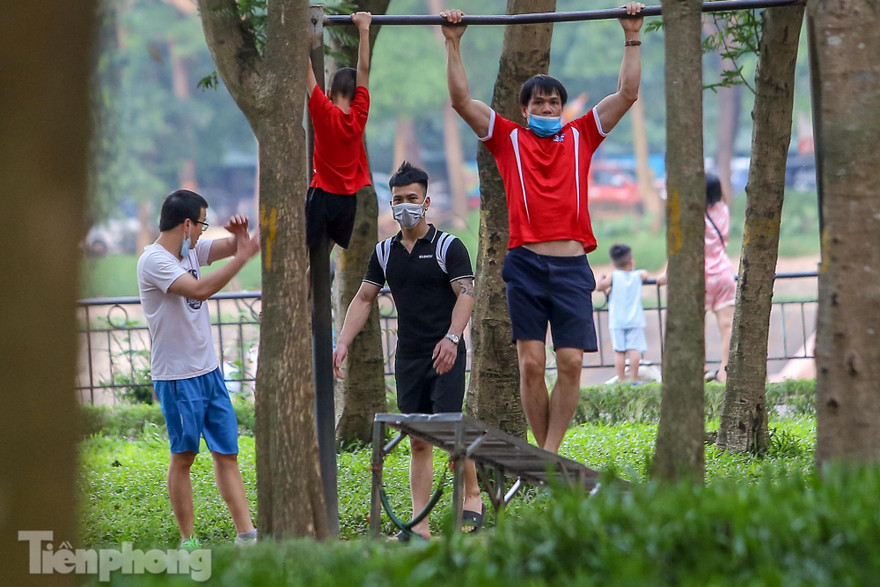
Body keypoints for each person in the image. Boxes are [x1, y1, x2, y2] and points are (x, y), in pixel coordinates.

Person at [440, 3, 645, 453]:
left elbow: (627, 94)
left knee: (570, 362)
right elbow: (461, 101)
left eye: (554, 102)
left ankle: (548, 456)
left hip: (572, 268)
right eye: (539, 102)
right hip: (526, 265)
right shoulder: (508, 139)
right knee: (531, 364)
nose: (547, 107)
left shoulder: (581, 135)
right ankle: (545, 456)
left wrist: (632, 34)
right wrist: (453, 43)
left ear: (562, 107)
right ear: (525, 108)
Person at [332, 162, 485, 539]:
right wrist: (343, 341)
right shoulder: (385, 252)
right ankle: (420, 526)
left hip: (446, 351)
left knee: (450, 431)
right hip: (409, 356)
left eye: (411, 198)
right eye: (398, 199)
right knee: (418, 440)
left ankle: (473, 494)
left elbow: (467, 294)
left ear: (426, 202)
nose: (404, 206)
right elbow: (364, 298)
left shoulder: (448, 246)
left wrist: (452, 338)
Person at [136, 189, 261, 550]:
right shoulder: (154, 261)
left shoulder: (189, 251)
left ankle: (247, 535)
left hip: (208, 371)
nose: (204, 233)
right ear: (187, 224)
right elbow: (200, 289)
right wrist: (243, 255)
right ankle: (188, 540)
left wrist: (240, 238)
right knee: (184, 456)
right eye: (203, 224)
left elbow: (233, 248)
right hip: (177, 376)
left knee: (227, 453)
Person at [657, 172, 736, 382]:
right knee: (727, 325)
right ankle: (726, 370)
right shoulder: (724, 210)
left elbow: (679, 247)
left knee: (697, 326)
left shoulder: (690, 215)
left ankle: (701, 369)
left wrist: (667, 273)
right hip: (723, 274)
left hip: (699, 276)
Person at [305, 11, 373, 252]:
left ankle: (307, 277)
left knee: (312, 254)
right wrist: (364, 29)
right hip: (347, 199)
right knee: (328, 249)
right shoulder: (360, 114)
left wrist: (302, 29)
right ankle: (313, 276)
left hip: (322, 193)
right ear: (358, 96)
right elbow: (364, 69)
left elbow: (306, 68)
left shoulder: (322, 111)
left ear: (329, 92)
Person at [596, 244, 649, 383]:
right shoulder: (636, 276)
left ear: (613, 263)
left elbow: (600, 286)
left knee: (619, 351)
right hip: (635, 320)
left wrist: (601, 277)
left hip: (617, 321)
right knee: (634, 350)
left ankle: (621, 380)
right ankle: (634, 379)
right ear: (632, 261)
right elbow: (645, 274)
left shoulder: (614, 276)